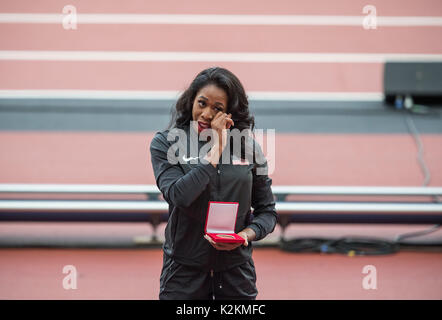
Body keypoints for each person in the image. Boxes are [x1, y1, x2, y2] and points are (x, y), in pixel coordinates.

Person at [150, 66, 277, 300]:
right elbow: (179, 195)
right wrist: (216, 150)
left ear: (230, 114)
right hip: (183, 272)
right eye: (202, 103)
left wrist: (245, 236)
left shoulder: (250, 150)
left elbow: (267, 212)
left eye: (217, 108)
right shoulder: (166, 144)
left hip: (236, 272)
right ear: (191, 102)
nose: (207, 114)